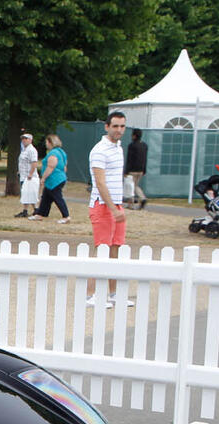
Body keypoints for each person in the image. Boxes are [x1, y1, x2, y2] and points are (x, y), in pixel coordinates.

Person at [87, 111, 128, 307]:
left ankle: (113, 293)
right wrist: (113, 209)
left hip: (116, 204)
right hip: (103, 205)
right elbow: (100, 183)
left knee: (115, 249)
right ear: (107, 127)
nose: (119, 130)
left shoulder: (118, 148)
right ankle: (90, 295)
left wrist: (118, 207)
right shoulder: (99, 150)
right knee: (102, 249)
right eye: (115, 126)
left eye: (122, 126)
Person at [28, 134, 71, 223]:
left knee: (57, 197)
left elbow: (51, 167)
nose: (46, 144)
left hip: (54, 180)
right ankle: (40, 214)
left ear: (51, 142)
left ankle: (66, 216)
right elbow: (64, 167)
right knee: (46, 197)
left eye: (47, 142)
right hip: (59, 178)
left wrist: (43, 178)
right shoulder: (61, 152)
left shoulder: (53, 153)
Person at [16, 132, 39, 217]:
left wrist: (31, 174)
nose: (24, 140)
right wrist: (19, 171)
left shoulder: (32, 150)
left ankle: (29, 210)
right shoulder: (24, 150)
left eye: (26, 139)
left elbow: (34, 162)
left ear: (30, 140)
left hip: (29, 177)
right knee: (27, 193)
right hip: (23, 175)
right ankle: (34, 210)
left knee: (28, 193)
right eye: (22, 139)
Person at [125, 128, 148, 210]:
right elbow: (145, 158)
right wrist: (144, 169)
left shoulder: (131, 145)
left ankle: (131, 204)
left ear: (134, 136)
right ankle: (142, 198)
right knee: (135, 185)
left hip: (132, 170)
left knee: (130, 186)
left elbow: (129, 159)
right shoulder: (144, 145)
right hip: (141, 170)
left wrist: (126, 171)